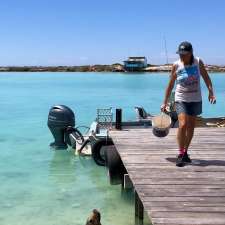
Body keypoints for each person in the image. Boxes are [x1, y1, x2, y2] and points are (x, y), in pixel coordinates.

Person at [161, 41, 216, 167]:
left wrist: (211, 92)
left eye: (184, 54)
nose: (181, 56)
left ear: (191, 53)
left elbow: (206, 78)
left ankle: (186, 152)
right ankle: (180, 154)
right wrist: (164, 102)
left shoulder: (198, 62)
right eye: (180, 54)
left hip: (195, 99)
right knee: (183, 124)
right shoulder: (176, 65)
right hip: (180, 98)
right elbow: (170, 84)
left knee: (191, 126)